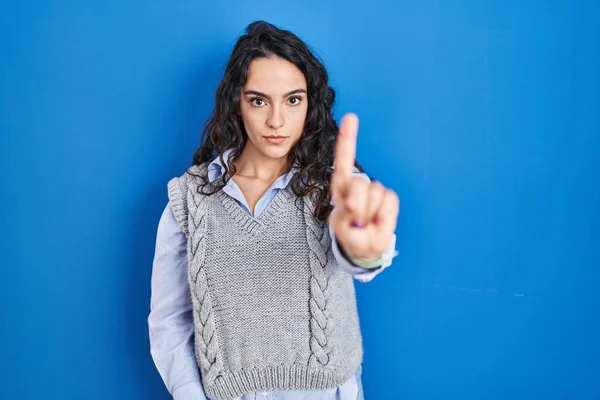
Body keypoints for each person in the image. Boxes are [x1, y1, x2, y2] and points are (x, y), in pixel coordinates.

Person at [148, 20, 400, 400]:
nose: (276, 121)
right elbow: (169, 322)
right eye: (259, 100)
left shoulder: (338, 189)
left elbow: (360, 257)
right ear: (237, 102)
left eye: (293, 100)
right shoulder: (189, 200)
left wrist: (363, 251)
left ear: (310, 104)